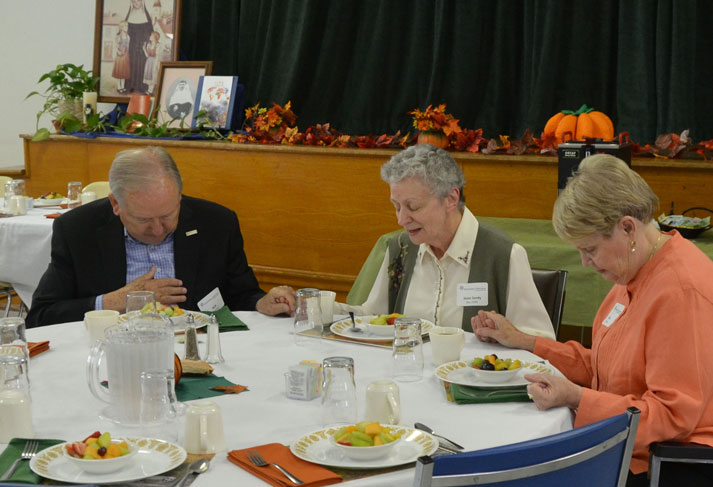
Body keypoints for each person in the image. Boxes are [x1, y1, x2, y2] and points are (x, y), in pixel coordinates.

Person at [472, 154, 713, 485]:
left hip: (666, 465)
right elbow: (606, 368)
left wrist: (575, 397)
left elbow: (671, 418)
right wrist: (524, 341)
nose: (585, 263)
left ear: (627, 227)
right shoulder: (636, 269)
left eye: (590, 249)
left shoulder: (679, 291)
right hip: (630, 445)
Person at [26, 146, 295, 327]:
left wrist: (263, 302)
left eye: (167, 215)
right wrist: (114, 302)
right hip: (112, 351)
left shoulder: (216, 222)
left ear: (179, 196)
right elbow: (40, 317)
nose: (157, 229)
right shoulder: (78, 229)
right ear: (115, 204)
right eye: (143, 219)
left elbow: (241, 294)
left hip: (197, 348)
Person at [335, 143, 555, 338]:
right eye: (396, 206)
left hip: (473, 381)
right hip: (408, 377)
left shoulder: (503, 255)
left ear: (451, 198)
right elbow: (373, 317)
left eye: (413, 207)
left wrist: (507, 336)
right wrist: (314, 305)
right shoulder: (400, 249)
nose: (401, 219)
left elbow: (541, 339)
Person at [125, 0, 153, 93]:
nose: (136, 3)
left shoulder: (146, 16)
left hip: (142, 46)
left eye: (138, 1)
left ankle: (141, 86)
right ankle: (130, 85)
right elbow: (125, 31)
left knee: (142, 65)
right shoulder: (130, 15)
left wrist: (145, 43)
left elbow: (150, 32)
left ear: (142, 2)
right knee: (131, 64)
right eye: (133, 2)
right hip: (132, 46)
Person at [111, 21, 131, 94]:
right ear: (121, 27)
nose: (127, 28)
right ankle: (119, 87)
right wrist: (118, 51)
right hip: (119, 55)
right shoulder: (118, 37)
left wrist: (126, 53)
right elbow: (115, 45)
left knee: (124, 72)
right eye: (125, 26)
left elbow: (128, 46)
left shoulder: (128, 37)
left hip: (125, 55)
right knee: (119, 71)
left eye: (127, 26)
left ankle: (122, 86)